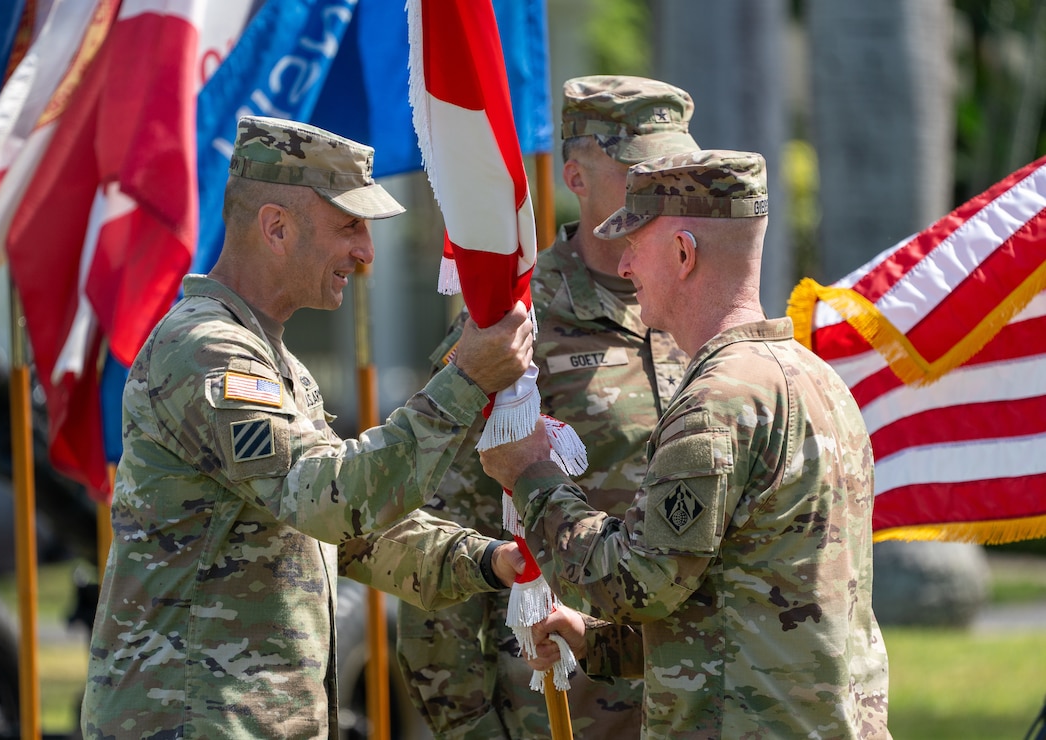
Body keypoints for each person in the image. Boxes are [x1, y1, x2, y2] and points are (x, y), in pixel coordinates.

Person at [81, 116, 534, 740]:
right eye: (349, 225)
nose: (366, 252)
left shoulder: (274, 362)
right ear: (275, 227)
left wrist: (490, 561)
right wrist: (465, 382)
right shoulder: (207, 351)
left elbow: (351, 537)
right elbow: (333, 501)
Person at [480, 149, 891, 739]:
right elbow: (741, 600)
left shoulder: (718, 402)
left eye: (635, 244)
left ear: (682, 252)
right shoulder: (816, 377)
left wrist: (532, 475)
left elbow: (639, 582)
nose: (623, 267)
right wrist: (593, 640)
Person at [396, 75, 695, 738]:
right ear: (577, 177)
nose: (663, 193)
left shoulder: (701, 313)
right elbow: (442, 549)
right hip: (561, 710)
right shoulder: (512, 334)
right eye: (640, 172)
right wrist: (470, 728)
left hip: (695, 704)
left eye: (674, 172)